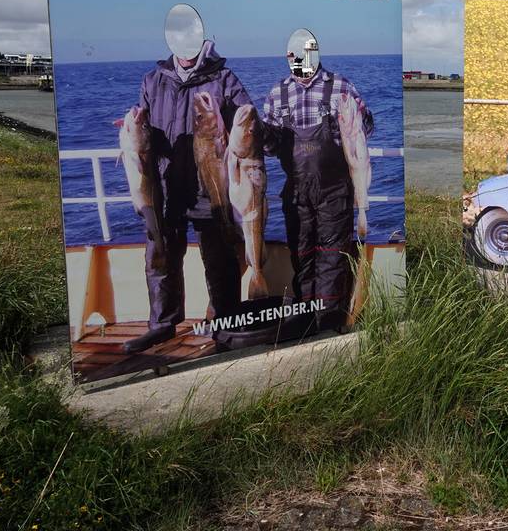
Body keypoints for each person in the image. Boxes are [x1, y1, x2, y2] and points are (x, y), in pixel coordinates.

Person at [123, 39, 254, 354]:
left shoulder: (223, 78)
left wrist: (242, 120)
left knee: (220, 258)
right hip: (166, 188)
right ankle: (162, 325)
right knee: (160, 257)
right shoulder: (153, 80)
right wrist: (135, 129)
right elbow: (148, 130)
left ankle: (226, 324)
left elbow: (248, 123)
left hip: (209, 187)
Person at [262, 37, 374, 322]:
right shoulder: (277, 93)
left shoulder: (341, 87)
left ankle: (328, 320)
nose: (300, 59)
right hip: (296, 191)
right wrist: (260, 134)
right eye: (294, 54)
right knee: (301, 254)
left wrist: (361, 115)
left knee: (333, 255)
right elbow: (271, 147)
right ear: (287, 56)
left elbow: (367, 128)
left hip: (335, 190)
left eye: (306, 53)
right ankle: (305, 317)